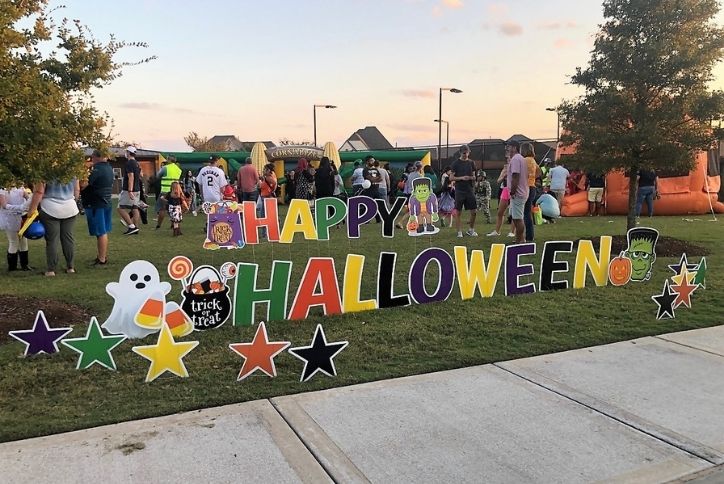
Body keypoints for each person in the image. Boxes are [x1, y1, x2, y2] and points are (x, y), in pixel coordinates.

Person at [28, 178, 80, 276]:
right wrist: (73, 201)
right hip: (69, 206)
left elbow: (39, 191)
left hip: (50, 207)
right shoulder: (73, 168)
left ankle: (51, 269)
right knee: (68, 238)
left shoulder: (46, 170)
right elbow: (76, 190)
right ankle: (70, 267)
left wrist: (32, 209)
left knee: (52, 240)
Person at [80, 149, 114, 266]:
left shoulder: (96, 169)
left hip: (96, 203)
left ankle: (102, 258)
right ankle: (101, 255)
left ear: (95, 157)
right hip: (106, 202)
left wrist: (83, 173)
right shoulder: (109, 168)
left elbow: (83, 185)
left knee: (100, 232)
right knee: (103, 231)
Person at [0, 185, 31, 271]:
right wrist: (19, 207)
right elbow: (4, 205)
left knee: (23, 240)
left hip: (21, 217)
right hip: (9, 217)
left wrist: (29, 202)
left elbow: (28, 197)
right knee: (13, 241)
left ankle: (24, 265)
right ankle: (12, 266)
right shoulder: (2, 189)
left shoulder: (20, 187)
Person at [450, 144, 478, 238]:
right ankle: (459, 232)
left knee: (474, 211)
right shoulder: (455, 164)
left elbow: (474, 176)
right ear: (460, 153)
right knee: (458, 211)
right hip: (459, 190)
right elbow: (451, 177)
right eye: (464, 153)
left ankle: (471, 229)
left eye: (467, 153)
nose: (466, 155)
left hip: (469, 189)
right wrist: (462, 178)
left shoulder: (471, 163)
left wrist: (471, 178)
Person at [507, 140, 529, 244]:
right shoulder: (522, 159)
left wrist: (513, 191)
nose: (508, 149)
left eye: (509, 147)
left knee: (518, 219)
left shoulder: (515, 159)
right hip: (522, 191)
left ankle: (520, 241)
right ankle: (520, 239)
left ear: (514, 147)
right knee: (516, 217)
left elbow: (515, 175)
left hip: (518, 193)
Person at [118, 146, 142, 235]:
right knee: (135, 208)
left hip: (130, 189)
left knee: (120, 208)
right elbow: (140, 175)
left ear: (128, 152)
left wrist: (129, 190)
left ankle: (132, 227)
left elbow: (130, 176)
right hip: (137, 188)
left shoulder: (129, 163)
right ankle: (136, 227)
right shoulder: (137, 163)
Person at [521, 142, 542, 242]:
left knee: (524, 213)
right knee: (528, 212)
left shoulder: (524, 160)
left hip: (526, 187)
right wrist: (532, 177)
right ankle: (530, 235)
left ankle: (526, 236)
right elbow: (539, 172)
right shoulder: (533, 161)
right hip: (532, 187)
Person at [155, 155, 182, 229]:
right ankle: (173, 224)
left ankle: (158, 225)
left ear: (169, 160)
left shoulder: (165, 168)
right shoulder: (178, 169)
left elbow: (158, 176)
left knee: (162, 209)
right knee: (173, 208)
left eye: (167, 159)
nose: (166, 160)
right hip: (175, 192)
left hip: (165, 191)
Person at [257, 163, 278, 239]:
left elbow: (274, 183)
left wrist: (272, 190)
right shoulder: (272, 175)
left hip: (266, 197)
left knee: (263, 216)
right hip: (267, 197)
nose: (263, 170)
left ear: (268, 170)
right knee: (270, 215)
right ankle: (271, 231)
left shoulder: (268, 177)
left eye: (264, 169)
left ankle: (264, 234)